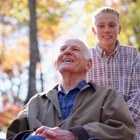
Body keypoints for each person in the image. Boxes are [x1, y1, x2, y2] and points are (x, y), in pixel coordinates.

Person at [6, 39, 136, 140]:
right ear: (56, 64)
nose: (67, 52)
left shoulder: (107, 95)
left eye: (75, 49)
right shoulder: (35, 102)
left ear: (88, 64)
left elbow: (124, 131)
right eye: (62, 49)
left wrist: (75, 135)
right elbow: (13, 135)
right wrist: (34, 137)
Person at [86, 7, 140, 139]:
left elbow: (138, 94)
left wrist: (120, 121)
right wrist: (102, 125)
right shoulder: (86, 58)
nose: (106, 30)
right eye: (101, 26)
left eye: (112, 25)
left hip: (131, 129)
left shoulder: (132, 55)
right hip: (96, 130)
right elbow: (83, 98)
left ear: (119, 29)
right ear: (94, 30)